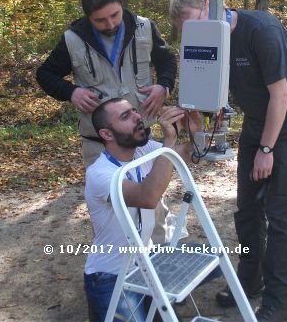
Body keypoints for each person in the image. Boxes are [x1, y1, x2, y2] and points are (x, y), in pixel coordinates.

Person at [169, 0, 287, 322]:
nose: (191, 32)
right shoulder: (208, 40)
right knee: (248, 207)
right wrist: (194, 119)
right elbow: (207, 92)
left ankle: (279, 302)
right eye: (184, 28)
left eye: (192, 20)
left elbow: (281, 97)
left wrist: (267, 149)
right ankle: (250, 279)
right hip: (255, 121)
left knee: (281, 215)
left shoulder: (261, 30)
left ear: (210, 4)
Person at [36, 0, 177, 242]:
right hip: (98, 142)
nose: (110, 24)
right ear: (88, 18)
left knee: (153, 202)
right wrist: (71, 92)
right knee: (111, 211)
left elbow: (167, 60)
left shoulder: (145, 27)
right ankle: (114, 272)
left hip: (140, 138)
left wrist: (164, 87)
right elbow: (45, 74)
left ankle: (158, 260)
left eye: (115, 15)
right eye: (100, 20)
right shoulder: (73, 38)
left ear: (122, 6)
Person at [84, 98, 201, 321]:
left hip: (145, 265)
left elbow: (190, 155)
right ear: (107, 134)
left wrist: (196, 131)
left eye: (134, 111)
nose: (137, 117)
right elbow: (148, 197)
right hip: (110, 276)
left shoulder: (142, 150)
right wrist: (169, 140)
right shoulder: (99, 173)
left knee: (209, 259)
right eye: (125, 117)